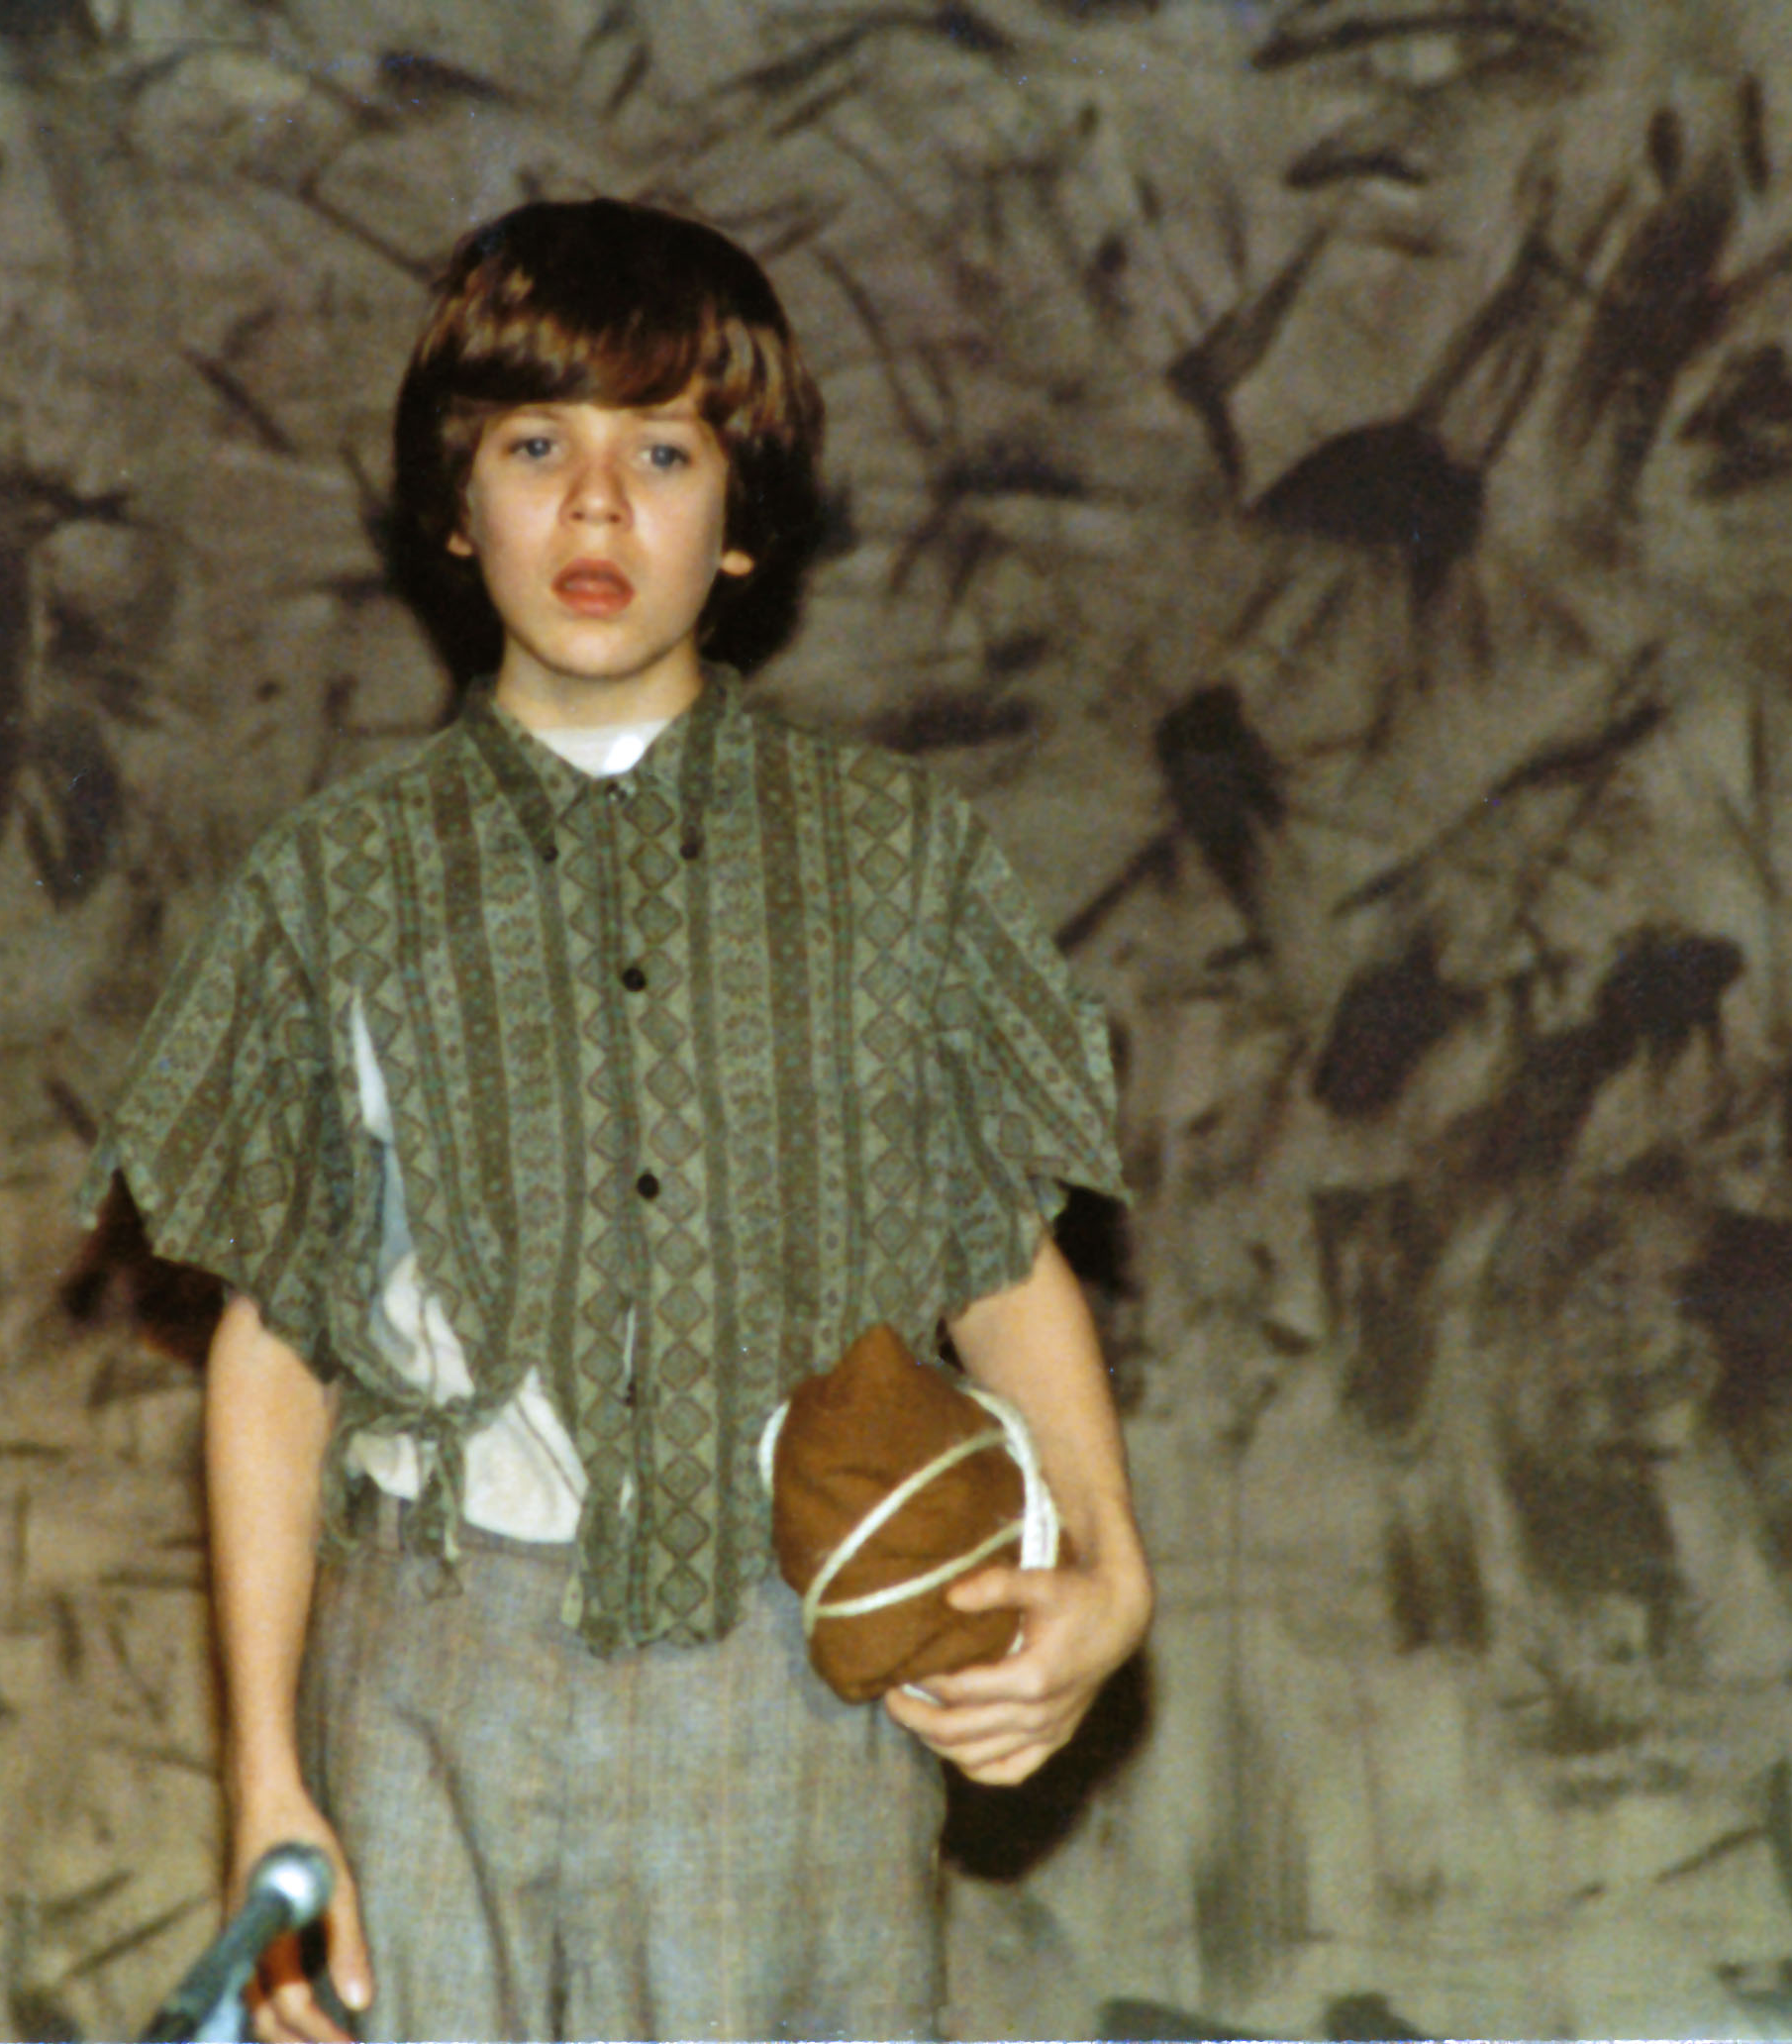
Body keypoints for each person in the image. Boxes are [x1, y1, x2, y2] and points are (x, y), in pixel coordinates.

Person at [82, 197, 1150, 2042]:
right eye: (535, 447)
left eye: (662, 453)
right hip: (432, 1693)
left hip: (785, 1702)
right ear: (455, 503)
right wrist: (270, 1782)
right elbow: (277, 1343)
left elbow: (999, 1256)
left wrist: (1111, 1579)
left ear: (741, 520)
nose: (595, 508)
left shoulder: (895, 863)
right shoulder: (337, 886)